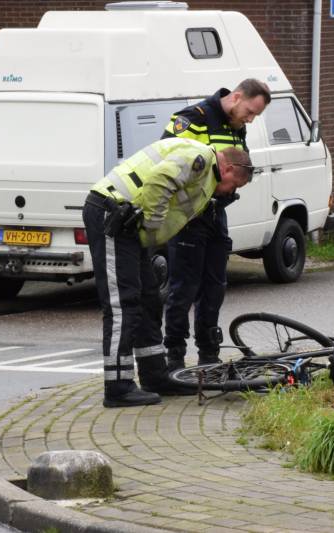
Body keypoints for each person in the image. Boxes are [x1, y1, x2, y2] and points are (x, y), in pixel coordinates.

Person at [83, 137, 254, 408]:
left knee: (149, 299)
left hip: (129, 223)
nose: (229, 192)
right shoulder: (199, 159)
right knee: (122, 305)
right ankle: (117, 386)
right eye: (234, 185)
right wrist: (151, 229)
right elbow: (160, 180)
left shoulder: (206, 176)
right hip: (113, 214)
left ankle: (154, 376)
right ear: (230, 169)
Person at [161, 79, 271, 372]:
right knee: (184, 287)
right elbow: (166, 162)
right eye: (249, 111)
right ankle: (174, 354)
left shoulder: (237, 126)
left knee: (215, 286)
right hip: (188, 216)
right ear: (236, 97)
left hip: (216, 214)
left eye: (255, 116)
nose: (250, 119)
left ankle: (208, 353)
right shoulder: (193, 119)